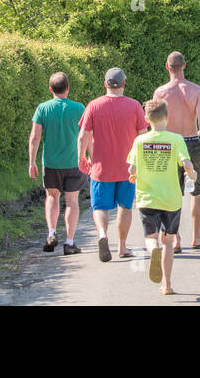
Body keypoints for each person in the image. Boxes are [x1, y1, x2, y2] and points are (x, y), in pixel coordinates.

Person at [78, 67, 150, 262]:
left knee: (100, 206)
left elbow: (83, 135)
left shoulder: (94, 105)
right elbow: (144, 136)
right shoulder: (135, 106)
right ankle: (122, 247)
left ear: (105, 84)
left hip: (101, 168)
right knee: (125, 207)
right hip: (128, 168)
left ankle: (102, 234)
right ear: (124, 84)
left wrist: (81, 157)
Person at [127, 99, 196, 296]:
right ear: (167, 117)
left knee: (150, 237)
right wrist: (192, 175)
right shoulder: (176, 140)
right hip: (171, 199)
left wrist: (133, 175)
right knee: (169, 241)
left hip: (147, 198)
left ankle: (152, 250)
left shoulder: (139, 141)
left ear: (146, 118)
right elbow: (187, 163)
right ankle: (166, 284)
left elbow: (131, 168)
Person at [152, 51, 200, 249]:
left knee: (171, 192)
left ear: (167, 66)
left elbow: (156, 122)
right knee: (197, 191)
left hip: (168, 143)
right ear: (184, 66)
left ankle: (175, 238)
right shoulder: (196, 90)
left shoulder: (160, 92)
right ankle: (196, 238)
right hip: (190, 141)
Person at [28, 71, 88, 254]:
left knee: (52, 197)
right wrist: (88, 157)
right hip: (73, 162)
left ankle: (52, 232)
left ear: (50, 89)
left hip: (51, 163)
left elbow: (35, 137)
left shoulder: (43, 109)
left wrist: (32, 161)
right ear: (68, 88)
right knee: (72, 202)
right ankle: (69, 243)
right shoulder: (79, 109)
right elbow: (87, 136)